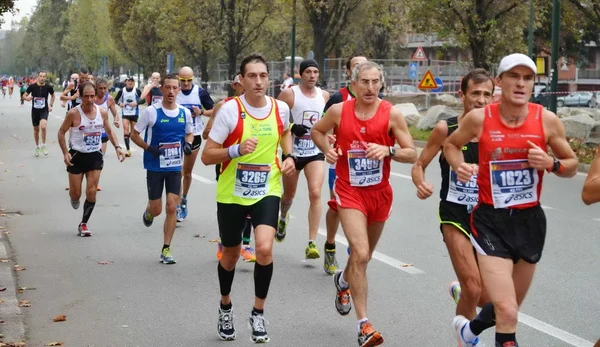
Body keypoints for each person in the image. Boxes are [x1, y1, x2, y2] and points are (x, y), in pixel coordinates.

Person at [443, 53, 578, 347]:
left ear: (533, 83)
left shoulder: (547, 121)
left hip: (530, 222)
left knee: (509, 305)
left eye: (527, 78)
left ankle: (468, 332)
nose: (520, 83)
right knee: (507, 311)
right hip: (490, 220)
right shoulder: (480, 119)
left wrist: (550, 163)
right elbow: (451, 145)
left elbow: (571, 164)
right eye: (514, 77)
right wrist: (459, 165)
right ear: (499, 82)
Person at [311, 61, 417, 347]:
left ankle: (343, 281)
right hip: (349, 191)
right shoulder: (338, 111)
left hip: (379, 194)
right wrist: (328, 150)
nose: (370, 88)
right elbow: (317, 131)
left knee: (365, 256)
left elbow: (412, 153)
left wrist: (388, 149)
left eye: (375, 82)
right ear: (354, 84)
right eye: (364, 82)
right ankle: (364, 325)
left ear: (381, 84)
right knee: (359, 251)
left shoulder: (391, 114)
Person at [201, 54, 296, 343]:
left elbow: (285, 134)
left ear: (269, 78)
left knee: (264, 249)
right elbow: (206, 155)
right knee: (230, 256)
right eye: (252, 76)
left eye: (263, 75)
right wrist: (235, 150)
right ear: (241, 81)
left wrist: (288, 155)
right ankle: (225, 306)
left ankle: (257, 313)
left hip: (267, 189)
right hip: (232, 194)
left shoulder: (280, 109)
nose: (258, 81)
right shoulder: (230, 111)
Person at [411, 69, 494, 324]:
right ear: (462, 95)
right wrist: (421, 183)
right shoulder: (446, 128)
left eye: (487, 94)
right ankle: (465, 337)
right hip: (454, 214)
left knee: (486, 299)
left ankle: (461, 293)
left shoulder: (499, 131)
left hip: (488, 218)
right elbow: (418, 164)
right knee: (473, 287)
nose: (481, 100)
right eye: (475, 93)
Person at [130, 74, 194, 265]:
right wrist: (149, 148)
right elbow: (134, 135)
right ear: (162, 89)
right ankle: (149, 211)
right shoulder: (151, 112)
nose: (172, 91)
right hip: (155, 166)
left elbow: (189, 133)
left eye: (175, 88)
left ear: (179, 90)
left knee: (172, 206)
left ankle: (166, 248)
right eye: (168, 88)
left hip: (174, 166)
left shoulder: (185, 113)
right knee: (157, 210)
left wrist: (188, 145)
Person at [276, 59, 330, 261]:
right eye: (308, 71)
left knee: (315, 193)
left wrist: (329, 136)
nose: (312, 75)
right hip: (292, 152)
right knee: (288, 195)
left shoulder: (324, 96)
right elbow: (275, 118)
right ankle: (283, 217)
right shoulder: (290, 94)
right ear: (301, 74)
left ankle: (312, 242)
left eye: (316, 71)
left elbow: (329, 121)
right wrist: (291, 127)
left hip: (314, 152)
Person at [57, 82, 127, 236]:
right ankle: (74, 198)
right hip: (77, 155)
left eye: (92, 96)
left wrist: (117, 147)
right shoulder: (73, 114)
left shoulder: (102, 112)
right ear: (80, 97)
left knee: (92, 191)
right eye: (86, 96)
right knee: (76, 194)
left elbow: (108, 130)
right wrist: (65, 153)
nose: (89, 99)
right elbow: (61, 132)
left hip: (95, 155)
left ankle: (83, 223)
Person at [320, 54, 368, 274]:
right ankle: (330, 245)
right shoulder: (338, 97)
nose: (362, 69)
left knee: (365, 209)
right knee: (339, 206)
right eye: (357, 66)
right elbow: (321, 127)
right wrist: (328, 144)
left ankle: (355, 250)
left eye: (365, 66)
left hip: (367, 167)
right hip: (340, 164)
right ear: (349, 72)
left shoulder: (374, 97)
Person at [203, 74, 255, 263]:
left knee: (249, 200)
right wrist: (220, 129)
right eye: (240, 83)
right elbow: (205, 134)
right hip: (227, 161)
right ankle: (224, 239)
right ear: (235, 86)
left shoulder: (258, 107)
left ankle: (246, 244)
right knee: (229, 204)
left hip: (251, 161)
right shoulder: (223, 106)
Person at [175, 66, 214, 222]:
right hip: (177, 135)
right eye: (182, 80)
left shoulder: (200, 92)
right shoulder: (174, 91)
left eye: (188, 80)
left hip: (195, 135)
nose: (185, 83)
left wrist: (202, 112)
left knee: (187, 172)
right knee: (177, 171)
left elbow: (214, 110)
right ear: (179, 78)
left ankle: (184, 198)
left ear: (193, 79)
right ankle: (177, 204)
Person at [23, 71, 55, 157]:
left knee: (43, 126)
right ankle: (37, 146)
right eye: (41, 76)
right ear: (38, 77)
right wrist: (27, 98)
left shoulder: (48, 87)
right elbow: (24, 96)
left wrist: (51, 105)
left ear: (46, 78)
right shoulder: (32, 87)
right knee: (36, 129)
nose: (42, 78)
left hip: (44, 110)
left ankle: (44, 145)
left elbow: (53, 95)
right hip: (35, 111)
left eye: (44, 76)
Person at [115, 76, 145, 157]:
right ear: (126, 82)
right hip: (125, 113)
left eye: (132, 81)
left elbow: (143, 100)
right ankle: (128, 150)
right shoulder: (122, 91)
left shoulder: (137, 90)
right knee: (125, 129)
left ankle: (131, 139)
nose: (130, 82)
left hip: (134, 114)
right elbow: (116, 100)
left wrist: (137, 103)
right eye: (128, 81)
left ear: (133, 82)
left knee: (133, 134)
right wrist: (120, 104)